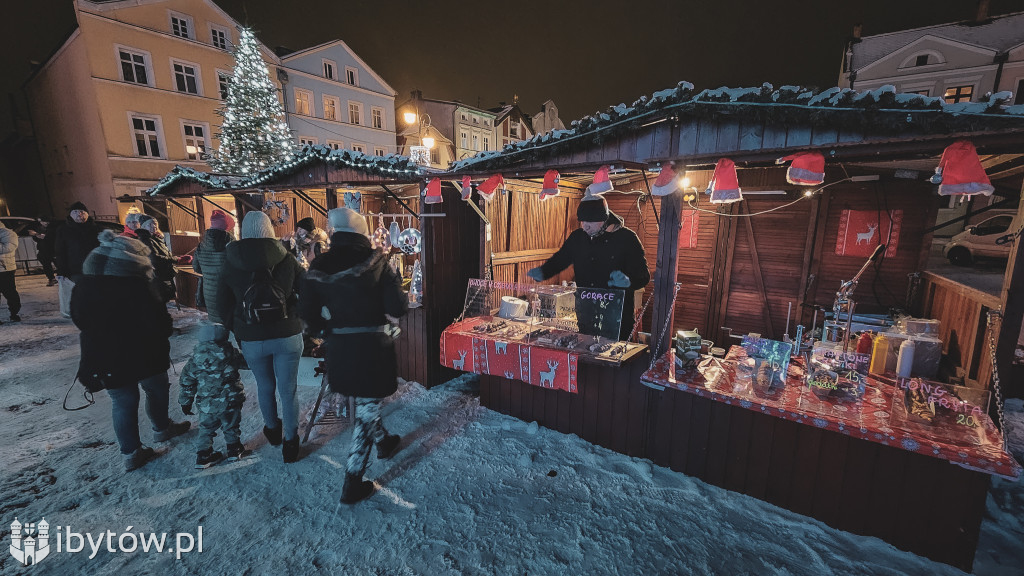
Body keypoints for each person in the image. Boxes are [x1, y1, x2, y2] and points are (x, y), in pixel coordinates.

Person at [300, 207, 407, 504]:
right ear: (361, 232)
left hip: (340, 348)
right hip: (373, 345)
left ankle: (384, 442)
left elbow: (307, 315)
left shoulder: (318, 265)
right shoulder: (378, 261)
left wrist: (329, 328)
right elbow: (398, 308)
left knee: (366, 402)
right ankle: (352, 481)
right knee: (367, 409)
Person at [71, 230, 190, 471]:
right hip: (145, 352)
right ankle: (161, 428)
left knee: (123, 402)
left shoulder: (84, 285)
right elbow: (160, 323)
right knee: (156, 389)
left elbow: (79, 319)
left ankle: (131, 453)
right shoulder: (140, 286)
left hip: (105, 354)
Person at [216, 211, 305, 463]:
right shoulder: (286, 258)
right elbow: (306, 290)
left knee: (265, 386)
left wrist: (239, 328)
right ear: (269, 230)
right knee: (289, 390)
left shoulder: (230, 260)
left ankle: (273, 431)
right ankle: (291, 442)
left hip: (252, 338)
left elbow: (221, 303)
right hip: (287, 334)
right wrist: (296, 315)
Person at [527, 195, 651, 340]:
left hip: (617, 317)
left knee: (613, 357)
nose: (584, 226)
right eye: (582, 221)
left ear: (604, 219)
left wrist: (628, 281)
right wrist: (543, 272)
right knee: (586, 350)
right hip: (586, 313)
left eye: (590, 221)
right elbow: (560, 260)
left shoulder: (627, 238)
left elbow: (644, 276)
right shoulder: (578, 238)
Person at [178, 323, 248, 468]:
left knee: (206, 429)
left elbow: (186, 382)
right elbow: (248, 363)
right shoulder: (232, 354)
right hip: (231, 400)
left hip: (207, 404)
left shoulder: (195, 361)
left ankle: (203, 456)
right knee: (231, 424)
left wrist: (186, 401)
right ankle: (234, 449)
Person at [54, 201, 100, 318]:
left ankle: (96, 311)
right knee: (79, 292)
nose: (79, 214)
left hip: (96, 268)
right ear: (70, 215)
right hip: (75, 268)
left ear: (87, 214)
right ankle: (82, 313)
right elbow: (60, 252)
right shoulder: (63, 230)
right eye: (75, 212)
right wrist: (61, 271)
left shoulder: (97, 229)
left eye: (82, 212)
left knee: (95, 292)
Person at [192, 210, 235, 322]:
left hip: (209, 290)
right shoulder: (230, 243)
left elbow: (196, 267)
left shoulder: (202, 244)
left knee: (217, 324)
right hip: (227, 289)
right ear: (226, 226)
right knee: (229, 320)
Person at [134, 214, 177, 303]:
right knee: (161, 298)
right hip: (157, 274)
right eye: (150, 224)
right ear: (144, 227)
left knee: (165, 296)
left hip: (162, 273)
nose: (154, 226)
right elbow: (154, 258)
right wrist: (175, 259)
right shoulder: (146, 239)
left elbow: (164, 253)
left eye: (155, 223)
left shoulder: (156, 238)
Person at [0, 219, 21, 323]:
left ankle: (14, 313)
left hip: (5, 269)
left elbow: (9, 247)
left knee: (10, 293)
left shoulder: (8, 233)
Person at [27, 217, 57, 286]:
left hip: (53, 249)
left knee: (59, 264)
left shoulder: (53, 228)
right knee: (46, 265)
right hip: (43, 249)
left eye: (47, 221)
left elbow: (46, 237)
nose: (46, 223)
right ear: (40, 222)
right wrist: (36, 235)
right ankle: (51, 279)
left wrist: (36, 234)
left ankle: (64, 277)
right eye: (43, 221)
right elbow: (37, 239)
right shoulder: (39, 228)